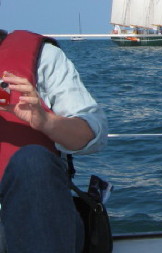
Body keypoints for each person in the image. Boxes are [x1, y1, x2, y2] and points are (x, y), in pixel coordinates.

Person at [0, 29, 108, 253]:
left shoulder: (45, 58)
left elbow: (93, 135)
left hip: (38, 221)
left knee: (32, 160)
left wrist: (46, 121)